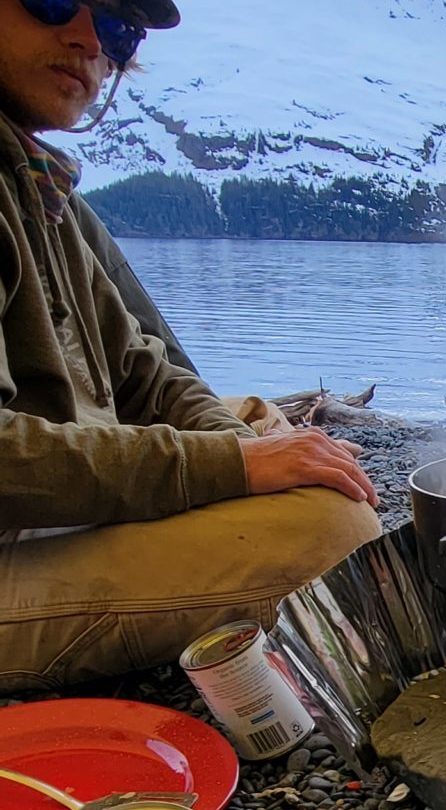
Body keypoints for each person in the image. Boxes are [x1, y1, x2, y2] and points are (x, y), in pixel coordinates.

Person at [0, 0, 383, 693]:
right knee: (330, 528)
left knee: (259, 419)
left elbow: (141, 371)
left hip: (48, 504)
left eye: (117, 28)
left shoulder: (33, 183)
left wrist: (244, 449)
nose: (87, 39)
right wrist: (235, 468)